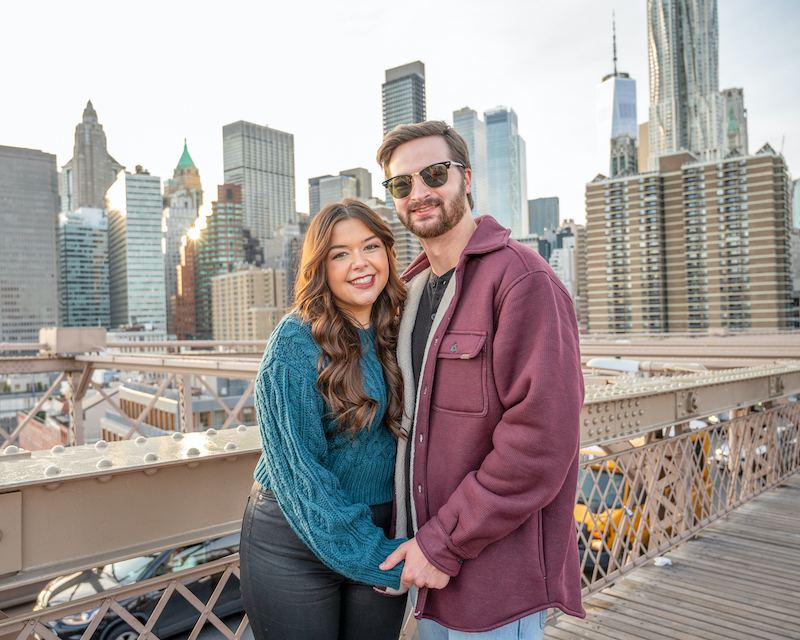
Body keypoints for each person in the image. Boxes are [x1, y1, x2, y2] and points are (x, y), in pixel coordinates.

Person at [376, 122, 586, 639]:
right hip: (430, 576)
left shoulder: (523, 280)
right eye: (402, 185)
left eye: (434, 174)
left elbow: (540, 444)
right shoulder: (408, 291)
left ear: (465, 179)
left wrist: (441, 543)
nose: (419, 193)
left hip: (494, 583)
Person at [239, 199, 409, 640]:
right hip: (293, 539)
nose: (360, 263)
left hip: (380, 530)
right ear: (321, 266)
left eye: (370, 246)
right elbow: (299, 473)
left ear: (388, 253)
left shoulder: (405, 327)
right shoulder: (294, 343)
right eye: (340, 253)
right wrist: (371, 554)